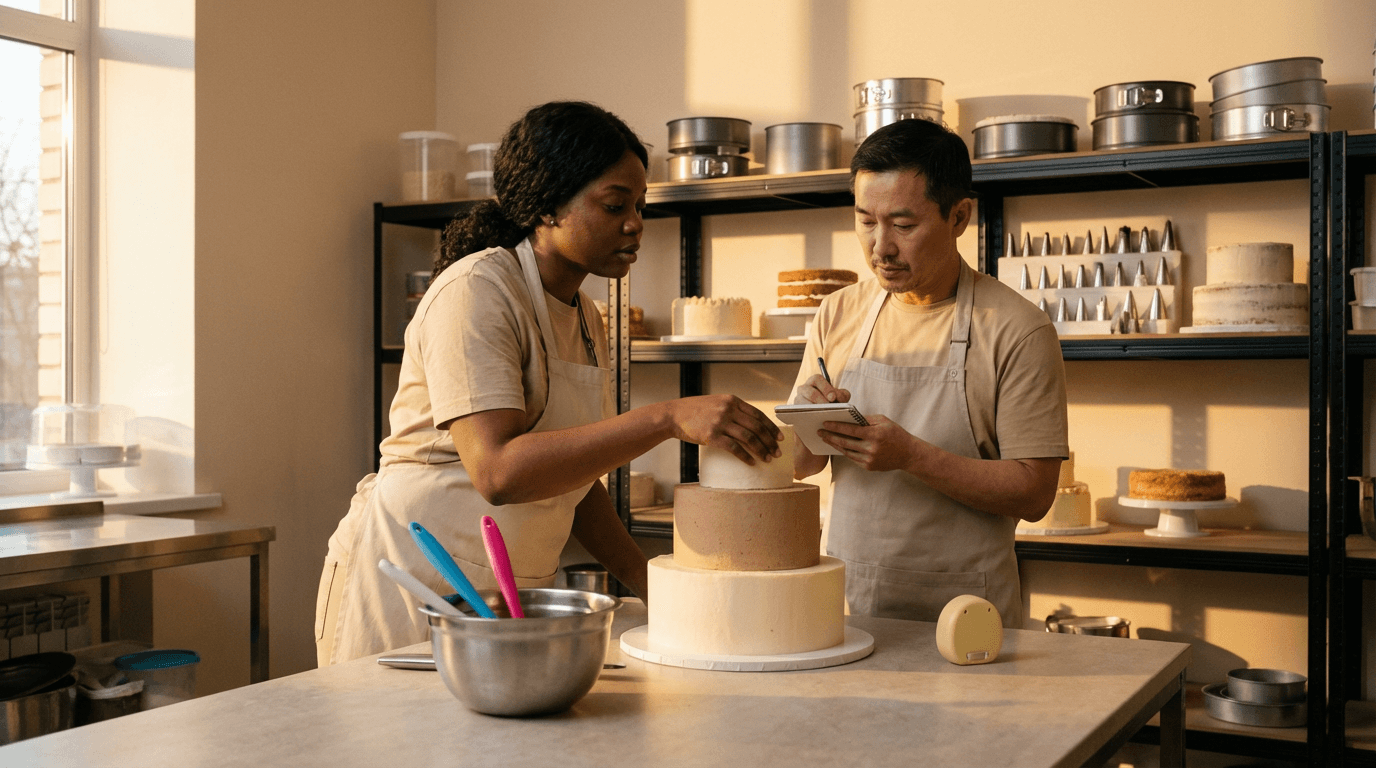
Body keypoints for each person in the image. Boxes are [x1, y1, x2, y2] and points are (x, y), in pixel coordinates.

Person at [317, 101, 782, 666]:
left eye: (640, 205)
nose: (635, 222)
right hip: (410, 588)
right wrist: (665, 418)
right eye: (615, 205)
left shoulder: (586, 317)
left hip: (502, 596)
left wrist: (652, 584)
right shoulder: (476, 293)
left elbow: (576, 482)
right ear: (546, 206)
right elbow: (499, 471)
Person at [790, 118, 1068, 629]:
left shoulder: (1018, 330)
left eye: (903, 225)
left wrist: (911, 456)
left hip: (969, 616)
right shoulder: (837, 314)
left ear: (959, 216)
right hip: (850, 607)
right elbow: (802, 464)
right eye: (865, 221)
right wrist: (806, 425)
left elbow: (1034, 494)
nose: (881, 247)